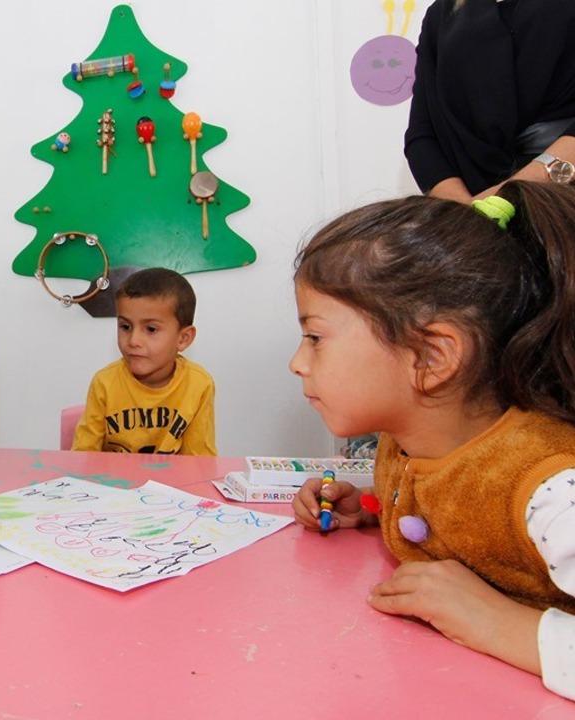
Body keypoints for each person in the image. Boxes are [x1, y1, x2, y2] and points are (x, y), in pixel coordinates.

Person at [289, 182, 575, 700]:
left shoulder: (553, 491)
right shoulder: (409, 438)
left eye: (315, 338)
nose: (297, 362)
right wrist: (373, 507)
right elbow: (462, 503)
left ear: (432, 358)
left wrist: (503, 624)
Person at [405, 0, 575, 201]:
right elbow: (423, 134)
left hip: (561, 198)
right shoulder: (441, 13)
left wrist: (501, 199)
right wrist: (465, 210)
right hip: (467, 208)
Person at [72, 268, 216, 455]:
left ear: (183, 338)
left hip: (171, 475)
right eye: (125, 327)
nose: (133, 341)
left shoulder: (199, 384)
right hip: (113, 474)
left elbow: (199, 461)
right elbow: (84, 456)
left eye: (151, 329)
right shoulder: (104, 382)